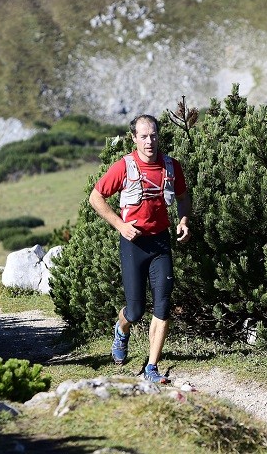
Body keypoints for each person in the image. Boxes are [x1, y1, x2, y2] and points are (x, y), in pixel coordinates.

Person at [88, 114, 191, 384]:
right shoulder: (124, 166)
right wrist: (120, 225)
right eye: (143, 136)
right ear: (134, 138)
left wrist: (183, 221)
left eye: (153, 135)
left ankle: (151, 368)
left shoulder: (171, 166)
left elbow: (183, 197)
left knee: (163, 305)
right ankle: (121, 330)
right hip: (133, 244)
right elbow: (96, 197)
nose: (149, 141)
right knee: (135, 311)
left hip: (160, 243)